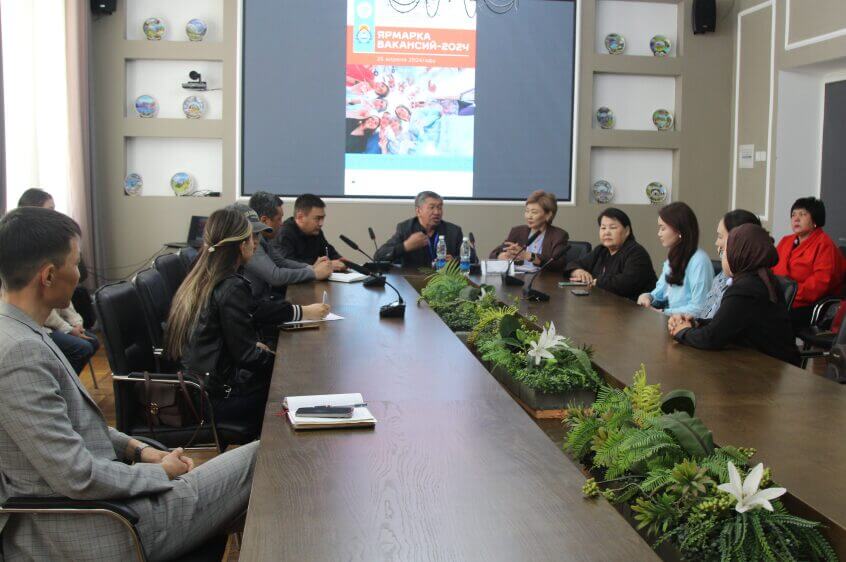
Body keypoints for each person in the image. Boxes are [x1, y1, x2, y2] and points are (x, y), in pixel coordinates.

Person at [0, 207, 258, 560]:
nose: (80, 274)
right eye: (76, 263)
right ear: (48, 275)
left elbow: (71, 426)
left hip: (111, 505)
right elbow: (76, 475)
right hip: (104, 526)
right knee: (262, 459)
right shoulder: (20, 352)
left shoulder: (22, 332)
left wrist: (139, 450)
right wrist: (160, 473)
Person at [166, 208, 282, 440]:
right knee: (284, 390)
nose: (255, 244)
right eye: (251, 238)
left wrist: (254, 347)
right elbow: (247, 357)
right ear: (241, 245)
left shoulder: (199, 277)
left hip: (193, 390)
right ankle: (268, 459)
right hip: (214, 400)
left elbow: (223, 340)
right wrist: (281, 362)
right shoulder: (231, 286)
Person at [670, 224, 800, 366]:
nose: (723, 255)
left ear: (739, 253)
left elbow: (712, 338)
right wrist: (696, 323)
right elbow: (729, 322)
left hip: (769, 368)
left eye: (726, 250)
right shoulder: (761, 278)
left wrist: (682, 331)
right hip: (771, 364)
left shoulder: (745, 288)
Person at [18, 187, 101, 374]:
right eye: (51, 209)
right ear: (34, 212)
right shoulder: (29, 255)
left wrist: (76, 322)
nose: (55, 214)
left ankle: (63, 382)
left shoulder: (48, 246)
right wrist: (67, 329)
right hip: (40, 326)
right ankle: (62, 382)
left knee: (92, 342)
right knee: (81, 348)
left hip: (54, 324)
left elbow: (62, 296)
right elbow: (40, 304)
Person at [235, 198, 329, 326]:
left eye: (256, 235)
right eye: (279, 219)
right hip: (258, 315)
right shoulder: (230, 283)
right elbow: (275, 276)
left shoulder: (257, 241)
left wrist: (311, 268)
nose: (254, 241)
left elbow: (281, 261)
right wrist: (314, 273)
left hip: (261, 308)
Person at [668, 210, 762, 332]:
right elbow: (709, 319)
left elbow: (715, 333)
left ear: (738, 241)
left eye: (720, 237)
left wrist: (684, 331)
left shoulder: (746, 286)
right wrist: (692, 322)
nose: (716, 243)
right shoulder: (722, 276)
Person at [772, 197, 845, 333]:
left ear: (815, 220)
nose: (796, 219)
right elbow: (771, 268)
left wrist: (788, 294)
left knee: (771, 318)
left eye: (802, 214)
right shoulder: (786, 241)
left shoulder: (824, 245)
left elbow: (820, 284)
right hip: (782, 299)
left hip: (809, 304)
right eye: (793, 215)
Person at [637, 202, 714, 316]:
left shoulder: (699, 261)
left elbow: (699, 308)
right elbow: (661, 290)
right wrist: (648, 297)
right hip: (673, 320)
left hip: (690, 324)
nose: (659, 234)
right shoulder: (674, 256)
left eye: (663, 228)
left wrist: (664, 312)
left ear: (679, 230)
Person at [564, 208, 656, 300]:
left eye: (613, 228)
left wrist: (596, 281)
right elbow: (574, 263)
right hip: (605, 303)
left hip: (633, 306)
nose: (607, 232)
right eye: (603, 228)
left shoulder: (636, 252)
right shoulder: (601, 250)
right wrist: (577, 271)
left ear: (627, 231)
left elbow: (627, 283)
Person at [375, 190, 474, 268]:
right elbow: (378, 257)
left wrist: (455, 261)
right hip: (413, 281)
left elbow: (473, 258)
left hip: (444, 281)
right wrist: (405, 246)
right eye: (432, 207)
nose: (437, 212)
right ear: (418, 211)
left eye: (439, 207)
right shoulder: (405, 229)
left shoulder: (453, 231)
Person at [489, 190, 569, 272]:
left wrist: (529, 256)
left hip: (543, 278)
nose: (529, 216)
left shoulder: (558, 235)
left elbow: (559, 264)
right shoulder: (518, 231)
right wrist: (502, 256)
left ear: (548, 215)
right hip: (517, 277)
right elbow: (493, 254)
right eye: (527, 211)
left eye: (534, 212)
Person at [274, 194, 347, 271]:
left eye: (322, 218)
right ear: (300, 217)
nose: (321, 224)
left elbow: (329, 252)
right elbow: (287, 265)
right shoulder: (284, 233)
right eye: (317, 218)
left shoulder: (315, 231)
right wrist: (322, 265)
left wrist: (342, 261)